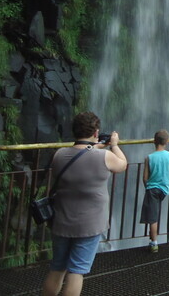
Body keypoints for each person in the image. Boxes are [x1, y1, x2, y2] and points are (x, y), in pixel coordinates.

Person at [42, 112, 127, 296]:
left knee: (57, 269)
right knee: (76, 272)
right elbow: (122, 165)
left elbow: (80, 156)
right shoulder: (103, 156)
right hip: (89, 224)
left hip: (61, 221)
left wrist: (93, 147)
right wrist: (114, 145)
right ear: (96, 133)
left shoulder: (59, 155)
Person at [140, 129, 169, 253]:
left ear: (154, 141)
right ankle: (151, 237)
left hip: (152, 188)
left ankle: (154, 243)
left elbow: (145, 177)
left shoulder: (149, 157)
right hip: (165, 189)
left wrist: (147, 187)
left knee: (153, 217)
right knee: (155, 211)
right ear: (167, 142)